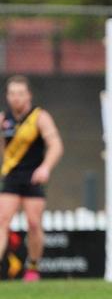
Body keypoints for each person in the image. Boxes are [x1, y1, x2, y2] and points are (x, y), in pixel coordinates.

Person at [0, 75, 63, 281]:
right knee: (2, 221)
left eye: (20, 93)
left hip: (33, 178)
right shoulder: (3, 119)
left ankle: (33, 267)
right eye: (12, 94)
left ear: (28, 95)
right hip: (11, 177)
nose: (15, 98)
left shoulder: (40, 117)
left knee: (34, 224)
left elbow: (56, 145)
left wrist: (45, 168)